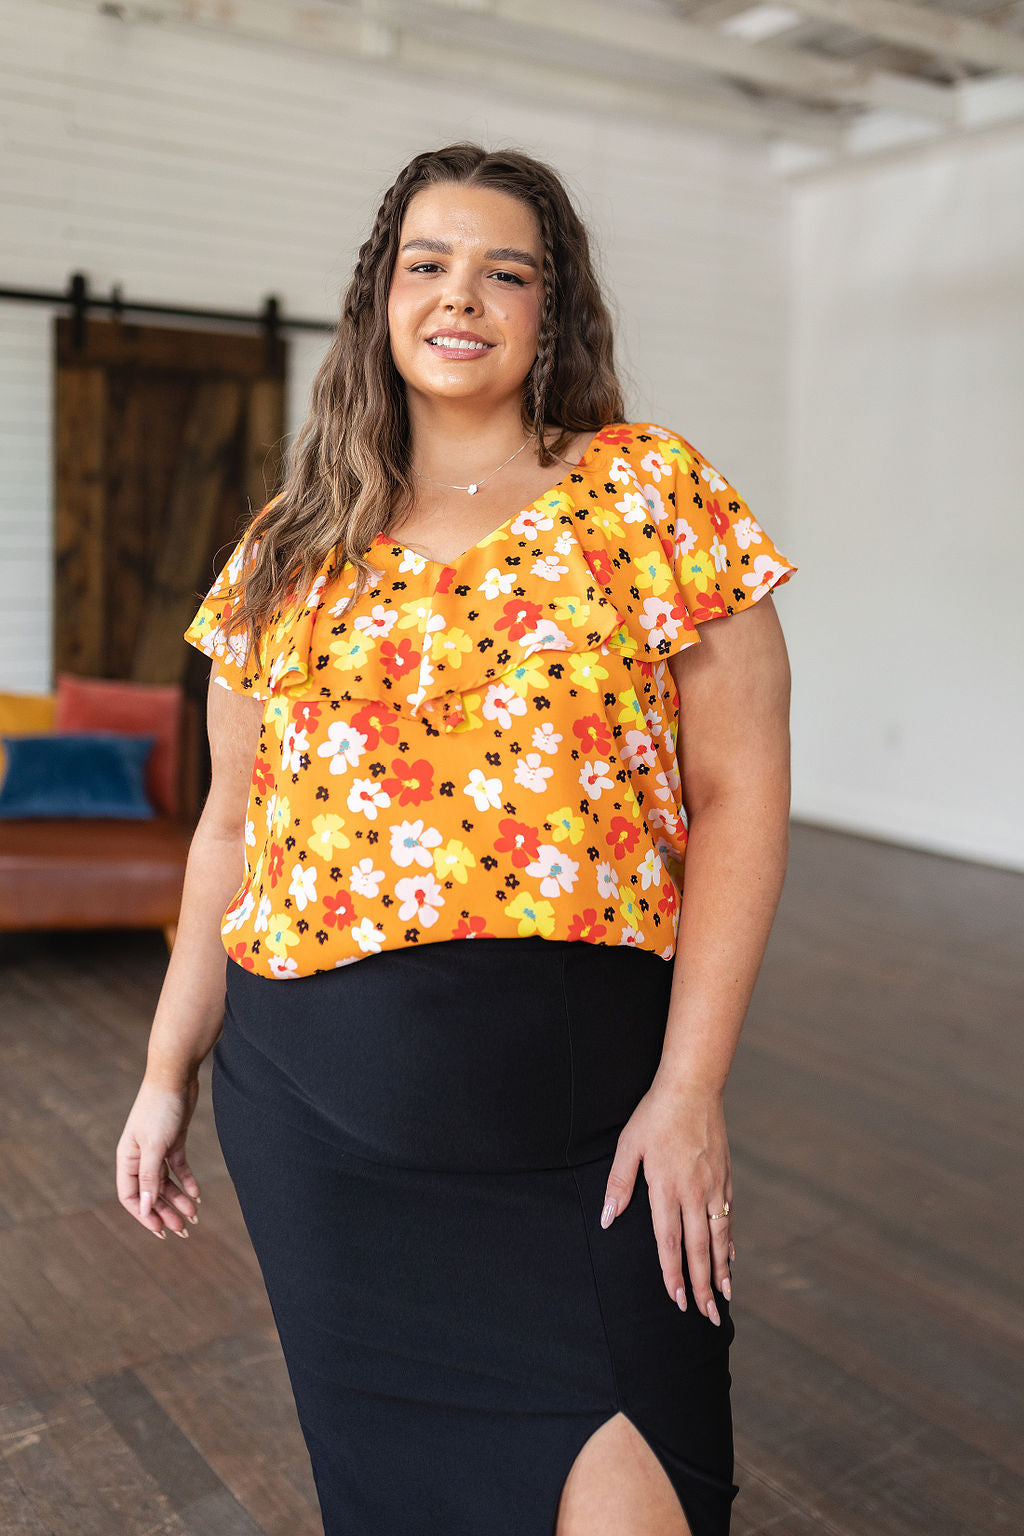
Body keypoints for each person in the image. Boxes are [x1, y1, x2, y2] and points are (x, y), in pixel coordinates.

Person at [116, 142, 796, 1536]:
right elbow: (228, 831)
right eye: (426, 264)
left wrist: (691, 1089)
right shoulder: (286, 552)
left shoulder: (648, 497)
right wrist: (162, 1070)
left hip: (592, 1116)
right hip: (320, 1134)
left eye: (507, 270)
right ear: (380, 299)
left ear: (555, 312)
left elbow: (740, 795)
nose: (460, 296)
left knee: (647, 1496)